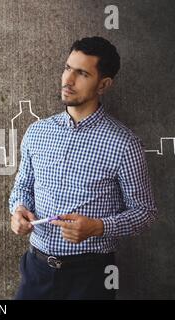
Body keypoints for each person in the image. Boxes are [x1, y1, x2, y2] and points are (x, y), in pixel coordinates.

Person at [8, 36, 158, 300]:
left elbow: (145, 213)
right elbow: (22, 187)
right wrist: (18, 210)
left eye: (82, 73)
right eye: (67, 68)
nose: (68, 80)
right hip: (37, 271)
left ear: (104, 84)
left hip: (90, 278)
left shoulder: (124, 144)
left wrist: (99, 227)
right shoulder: (37, 132)